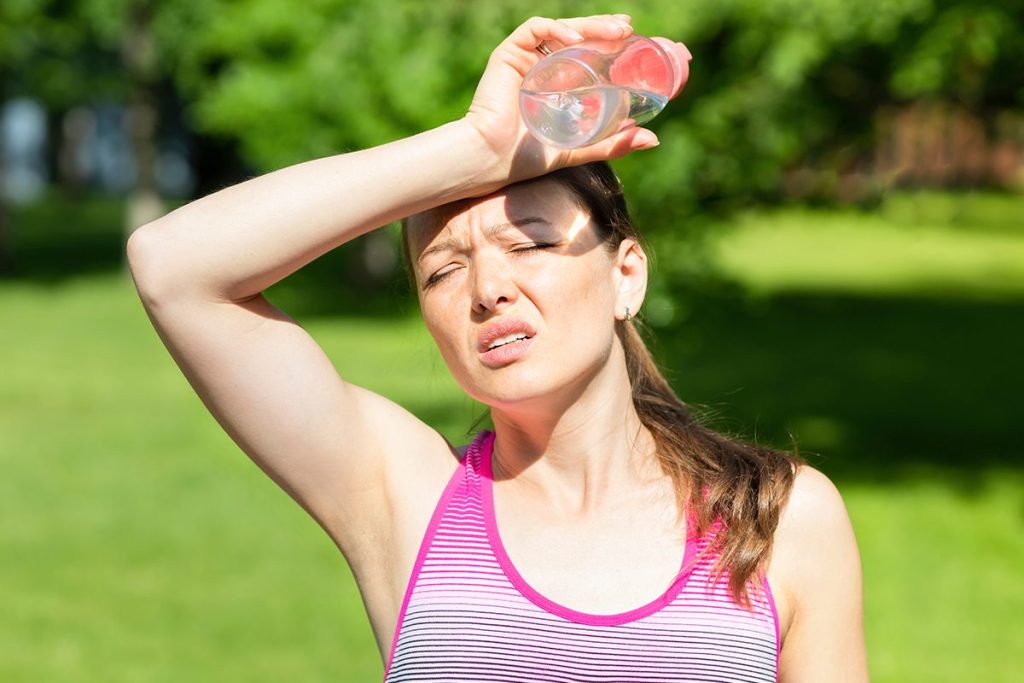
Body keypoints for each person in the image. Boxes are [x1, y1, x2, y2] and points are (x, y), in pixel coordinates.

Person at [127, 14, 868, 683]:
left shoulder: (779, 520)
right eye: (444, 269)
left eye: (533, 242)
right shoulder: (402, 495)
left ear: (626, 275)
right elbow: (174, 266)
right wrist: (476, 146)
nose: (487, 287)